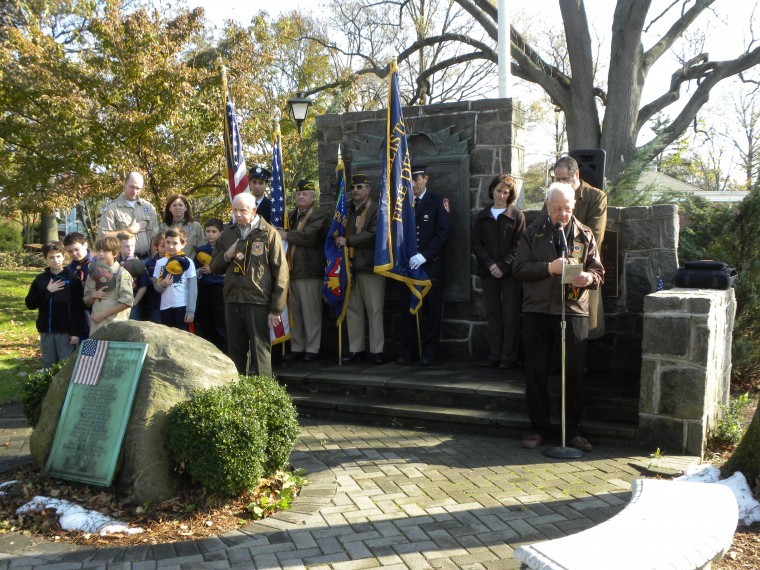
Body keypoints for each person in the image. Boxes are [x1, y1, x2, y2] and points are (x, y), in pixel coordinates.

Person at [513, 182, 604, 452]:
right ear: (547, 207)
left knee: (574, 373)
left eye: (566, 208)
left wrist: (589, 277)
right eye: (556, 209)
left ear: (574, 206)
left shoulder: (584, 234)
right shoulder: (532, 232)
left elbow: (599, 273)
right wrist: (548, 268)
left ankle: (572, 430)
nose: (562, 214)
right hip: (537, 310)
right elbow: (518, 268)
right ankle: (538, 428)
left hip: (573, 310)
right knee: (536, 372)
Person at [210, 193, 288, 376]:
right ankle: (240, 395)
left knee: (260, 351)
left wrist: (276, 309)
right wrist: (227, 256)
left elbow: (281, 274)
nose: (237, 214)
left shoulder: (268, 233)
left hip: (257, 301)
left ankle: (264, 396)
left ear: (254, 210)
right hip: (232, 299)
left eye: (242, 210)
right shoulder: (227, 233)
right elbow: (214, 267)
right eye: (234, 210)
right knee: (235, 351)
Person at [396, 165, 452, 367]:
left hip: (430, 266)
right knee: (407, 310)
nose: (413, 183)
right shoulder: (401, 204)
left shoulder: (438, 201)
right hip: (408, 267)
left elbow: (443, 233)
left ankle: (429, 352)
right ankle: (408, 350)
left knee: (431, 312)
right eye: (409, 180)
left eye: (417, 179)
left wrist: (424, 256)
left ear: (426, 179)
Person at [472, 174, 526, 368]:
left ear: (510, 194)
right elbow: (477, 244)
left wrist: (503, 266)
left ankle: (509, 357)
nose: (501, 195)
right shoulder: (482, 215)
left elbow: (519, 245)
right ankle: (494, 355)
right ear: (492, 191)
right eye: (498, 191)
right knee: (494, 314)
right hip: (488, 273)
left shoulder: (517, 215)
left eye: (506, 192)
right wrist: (490, 265)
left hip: (510, 274)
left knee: (510, 314)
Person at [551, 156, 607, 339]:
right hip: (557, 268)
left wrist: (570, 262)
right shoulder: (553, 196)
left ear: (576, 174)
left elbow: (594, 236)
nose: (559, 183)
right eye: (557, 179)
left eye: (564, 179)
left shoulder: (596, 197)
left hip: (582, 267)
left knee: (583, 326)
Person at [279, 179, 330, 362]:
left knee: (311, 312)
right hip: (292, 271)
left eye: (305, 194)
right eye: (299, 194)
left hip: (310, 270)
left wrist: (286, 234)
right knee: (296, 312)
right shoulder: (291, 215)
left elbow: (311, 237)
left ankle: (313, 348)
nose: (301, 197)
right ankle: (297, 346)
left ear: (313, 196)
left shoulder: (319, 215)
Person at [336, 173, 385, 364]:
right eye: (353, 188)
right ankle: (356, 349)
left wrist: (348, 241)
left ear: (368, 189)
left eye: (360, 187)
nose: (355, 191)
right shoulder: (345, 209)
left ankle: (377, 351)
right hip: (349, 267)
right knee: (353, 309)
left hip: (370, 266)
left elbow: (374, 234)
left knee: (374, 309)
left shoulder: (376, 209)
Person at [25, 241, 86, 369]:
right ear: (46, 259)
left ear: (64, 256)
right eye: (51, 257)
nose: (55, 260)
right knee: (49, 365)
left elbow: (78, 308)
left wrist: (75, 332)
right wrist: (48, 291)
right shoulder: (40, 279)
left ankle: (64, 389)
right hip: (46, 330)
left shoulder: (73, 279)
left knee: (66, 366)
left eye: (58, 256)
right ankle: (49, 388)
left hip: (65, 331)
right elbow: (30, 304)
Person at [98, 171, 159, 261]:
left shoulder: (148, 207)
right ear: (125, 184)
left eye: (138, 188)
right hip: (122, 261)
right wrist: (128, 231)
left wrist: (154, 261)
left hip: (147, 259)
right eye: (132, 187)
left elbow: (155, 237)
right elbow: (103, 236)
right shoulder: (112, 208)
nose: (135, 191)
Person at [84, 236, 134, 335]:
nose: (101, 254)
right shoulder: (92, 274)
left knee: (113, 351)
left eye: (105, 251)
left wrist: (102, 315)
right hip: (96, 326)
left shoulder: (122, 274)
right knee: (95, 350)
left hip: (115, 326)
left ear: (115, 253)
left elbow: (127, 301)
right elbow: (86, 301)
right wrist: (93, 296)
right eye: (98, 250)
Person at [153, 228, 197, 330]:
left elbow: (193, 288)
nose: (170, 246)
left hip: (182, 307)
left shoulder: (187, 262)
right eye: (167, 242)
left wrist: (190, 311)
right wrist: (163, 284)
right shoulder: (160, 263)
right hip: (165, 307)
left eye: (175, 243)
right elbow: (156, 288)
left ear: (183, 244)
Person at [194, 218, 227, 352]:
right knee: (205, 323)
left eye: (214, 231)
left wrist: (213, 270)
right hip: (204, 289)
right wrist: (200, 271)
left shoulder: (226, 250)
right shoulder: (201, 250)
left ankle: (224, 353)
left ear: (221, 233)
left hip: (220, 290)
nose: (211, 234)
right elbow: (193, 271)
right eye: (208, 231)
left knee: (221, 324)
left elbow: (229, 270)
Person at [63, 232, 94, 339]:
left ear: (85, 245)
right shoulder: (68, 270)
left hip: (97, 307)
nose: (74, 254)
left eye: (77, 249)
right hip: (78, 311)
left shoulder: (98, 263)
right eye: (70, 251)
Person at [158, 194, 204, 259]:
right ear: (170, 208)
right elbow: (160, 248)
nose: (177, 208)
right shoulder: (163, 227)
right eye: (174, 205)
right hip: (169, 265)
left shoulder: (195, 225)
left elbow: (202, 247)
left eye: (180, 205)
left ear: (185, 207)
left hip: (190, 264)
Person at [117, 231, 148, 320]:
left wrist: (134, 303)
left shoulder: (139, 264)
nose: (130, 249)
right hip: (117, 302)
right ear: (119, 247)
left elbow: (143, 286)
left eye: (132, 246)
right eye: (126, 246)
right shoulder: (115, 262)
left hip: (132, 302)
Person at [141, 232, 165, 324]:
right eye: (162, 246)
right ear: (156, 247)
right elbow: (144, 281)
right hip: (154, 302)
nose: (166, 248)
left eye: (167, 245)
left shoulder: (175, 262)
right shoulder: (150, 263)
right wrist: (151, 280)